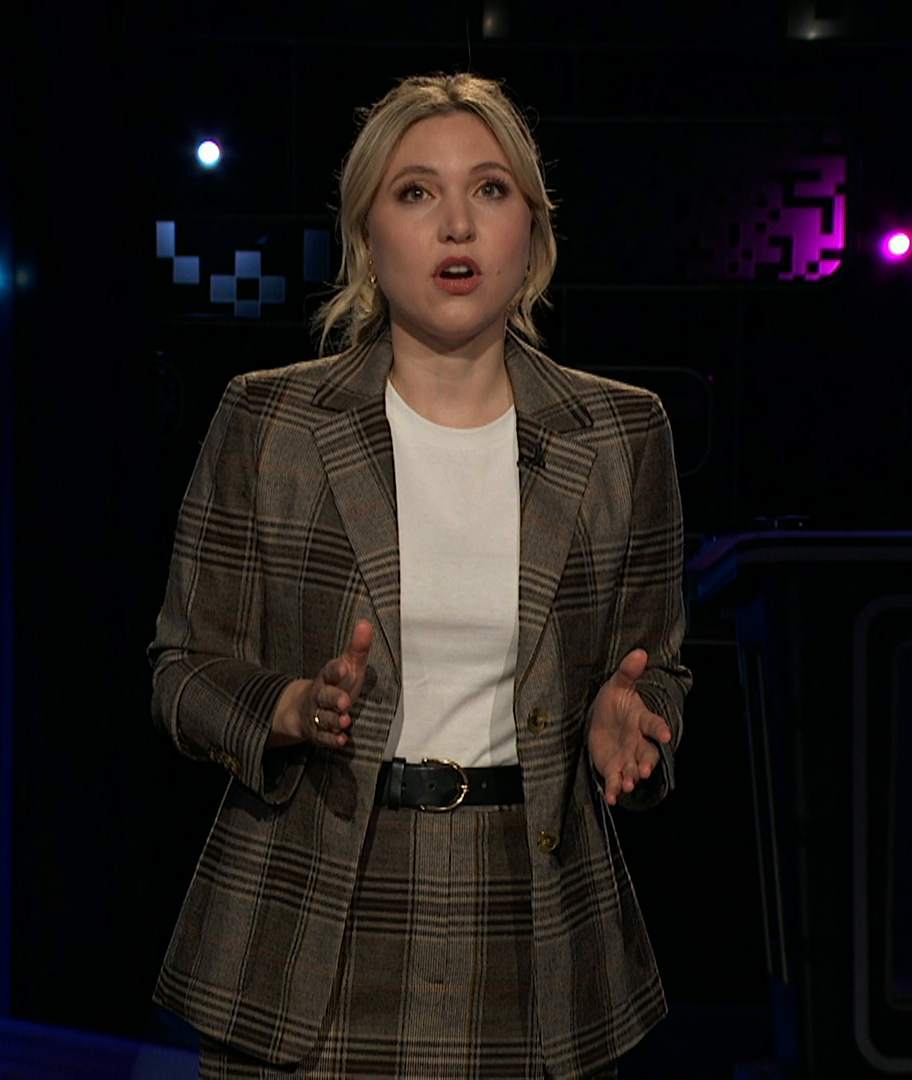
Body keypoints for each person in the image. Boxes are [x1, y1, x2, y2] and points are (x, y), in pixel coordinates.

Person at [149, 72, 691, 1079]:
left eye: (489, 189)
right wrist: (290, 708)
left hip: (537, 926)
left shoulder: (621, 433)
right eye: (415, 192)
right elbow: (182, 672)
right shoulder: (270, 423)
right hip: (310, 923)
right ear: (366, 235)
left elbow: (656, 668)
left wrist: (633, 716)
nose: (456, 224)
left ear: (533, 227)